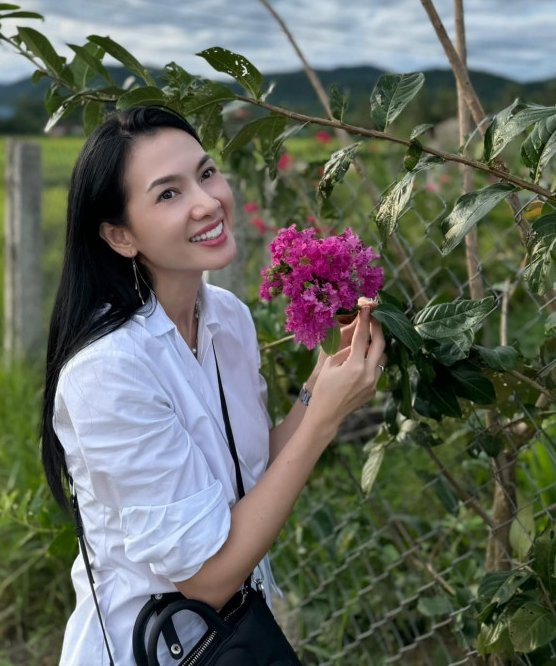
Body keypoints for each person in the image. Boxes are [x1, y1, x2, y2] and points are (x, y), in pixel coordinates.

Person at [41, 105, 386, 666]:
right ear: (120, 235)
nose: (207, 202)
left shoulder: (225, 316)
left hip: (234, 642)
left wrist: (320, 383)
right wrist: (323, 420)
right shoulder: (108, 370)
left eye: (205, 173)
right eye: (168, 194)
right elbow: (208, 579)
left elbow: (248, 470)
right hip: (151, 651)